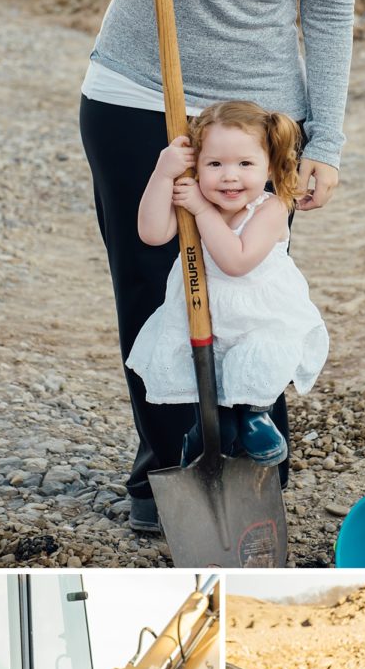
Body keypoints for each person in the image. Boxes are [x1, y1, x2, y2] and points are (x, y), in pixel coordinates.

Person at [80, 0, 362, 532]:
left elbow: (329, 11)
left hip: (259, 119)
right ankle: (166, 462)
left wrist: (324, 142)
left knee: (247, 285)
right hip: (141, 91)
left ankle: (248, 455)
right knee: (151, 287)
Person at [128, 101, 328, 468]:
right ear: (197, 166)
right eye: (215, 164)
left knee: (254, 361)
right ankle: (211, 431)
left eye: (245, 164)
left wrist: (202, 211)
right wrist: (163, 174)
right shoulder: (194, 197)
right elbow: (152, 233)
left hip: (258, 316)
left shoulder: (272, 208)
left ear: (268, 165)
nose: (229, 176)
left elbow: (235, 261)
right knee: (208, 374)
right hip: (207, 309)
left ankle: (255, 414)